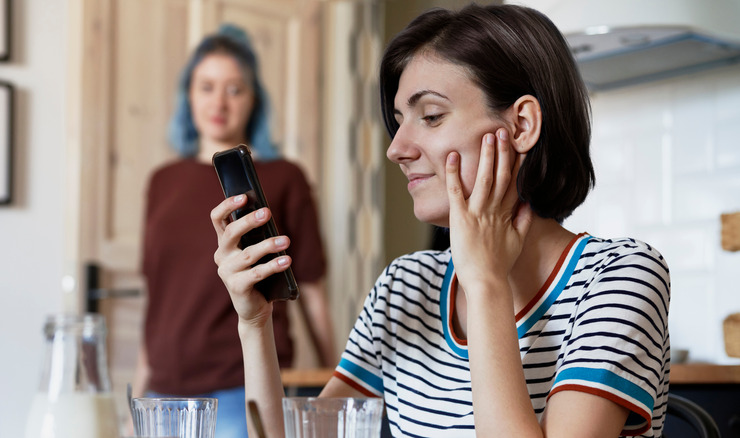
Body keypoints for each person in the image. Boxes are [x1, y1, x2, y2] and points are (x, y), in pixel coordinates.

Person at [211, 4, 670, 438]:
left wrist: (485, 280)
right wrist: (255, 324)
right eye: (399, 120)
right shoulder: (405, 285)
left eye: (430, 116)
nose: (397, 149)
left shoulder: (621, 277)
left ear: (522, 125)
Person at [134, 24, 336, 438]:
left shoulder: (284, 178)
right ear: (188, 95)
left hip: (242, 389)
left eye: (235, 89)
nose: (219, 102)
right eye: (206, 86)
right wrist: (135, 403)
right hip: (162, 395)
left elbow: (312, 292)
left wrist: (332, 392)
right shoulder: (161, 181)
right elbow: (157, 299)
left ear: (253, 100)